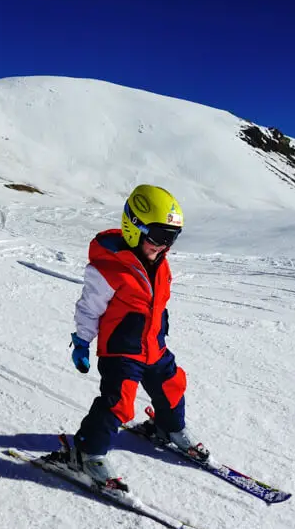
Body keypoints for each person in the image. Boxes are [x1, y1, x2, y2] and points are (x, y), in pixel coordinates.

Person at [64, 184, 208, 491]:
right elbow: (89, 309)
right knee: (118, 404)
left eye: (172, 238)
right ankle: (85, 452)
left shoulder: (159, 263)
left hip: (154, 347)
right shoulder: (108, 269)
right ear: (134, 228)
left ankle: (169, 428)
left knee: (171, 385)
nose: (165, 246)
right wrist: (81, 341)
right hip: (122, 351)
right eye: (160, 236)